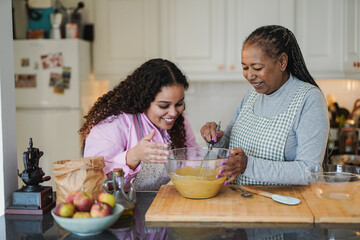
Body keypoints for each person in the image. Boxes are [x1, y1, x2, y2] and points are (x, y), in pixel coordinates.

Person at [201, 25, 329, 186]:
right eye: (245, 67)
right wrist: (216, 139)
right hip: (241, 200)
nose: (249, 75)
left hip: (285, 207)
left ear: (282, 62)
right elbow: (229, 145)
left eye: (257, 68)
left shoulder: (309, 98)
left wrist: (249, 165)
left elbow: (310, 171)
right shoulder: (252, 95)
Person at [79, 58, 198, 191]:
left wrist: (216, 165)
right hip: (115, 206)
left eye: (179, 104)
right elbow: (94, 178)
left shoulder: (178, 121)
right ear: (144, 101)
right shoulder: (113, 123)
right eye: (164, 105)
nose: (173, 112)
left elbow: (193, 160)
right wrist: (133, 156)